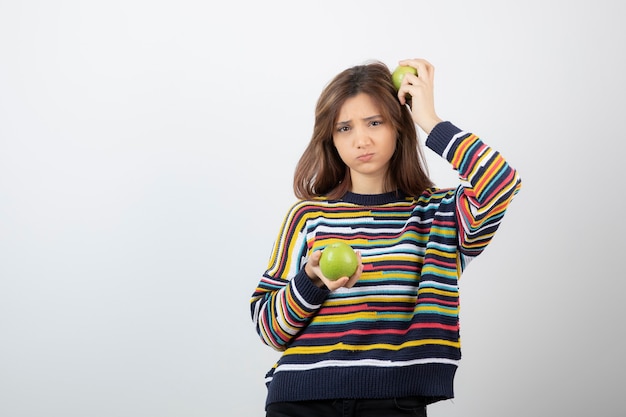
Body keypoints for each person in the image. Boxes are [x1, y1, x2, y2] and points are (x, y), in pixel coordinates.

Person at [249, 58, 522, 417]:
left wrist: (429, 120)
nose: (361, 139)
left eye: (375, 122)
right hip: (300, 399)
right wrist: (311, 281)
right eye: (344, 128)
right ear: (330, 139)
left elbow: (501, 183)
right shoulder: (307, 216)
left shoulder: (439, 214)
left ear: (398, 127)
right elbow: (269, 330)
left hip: (393, 401)